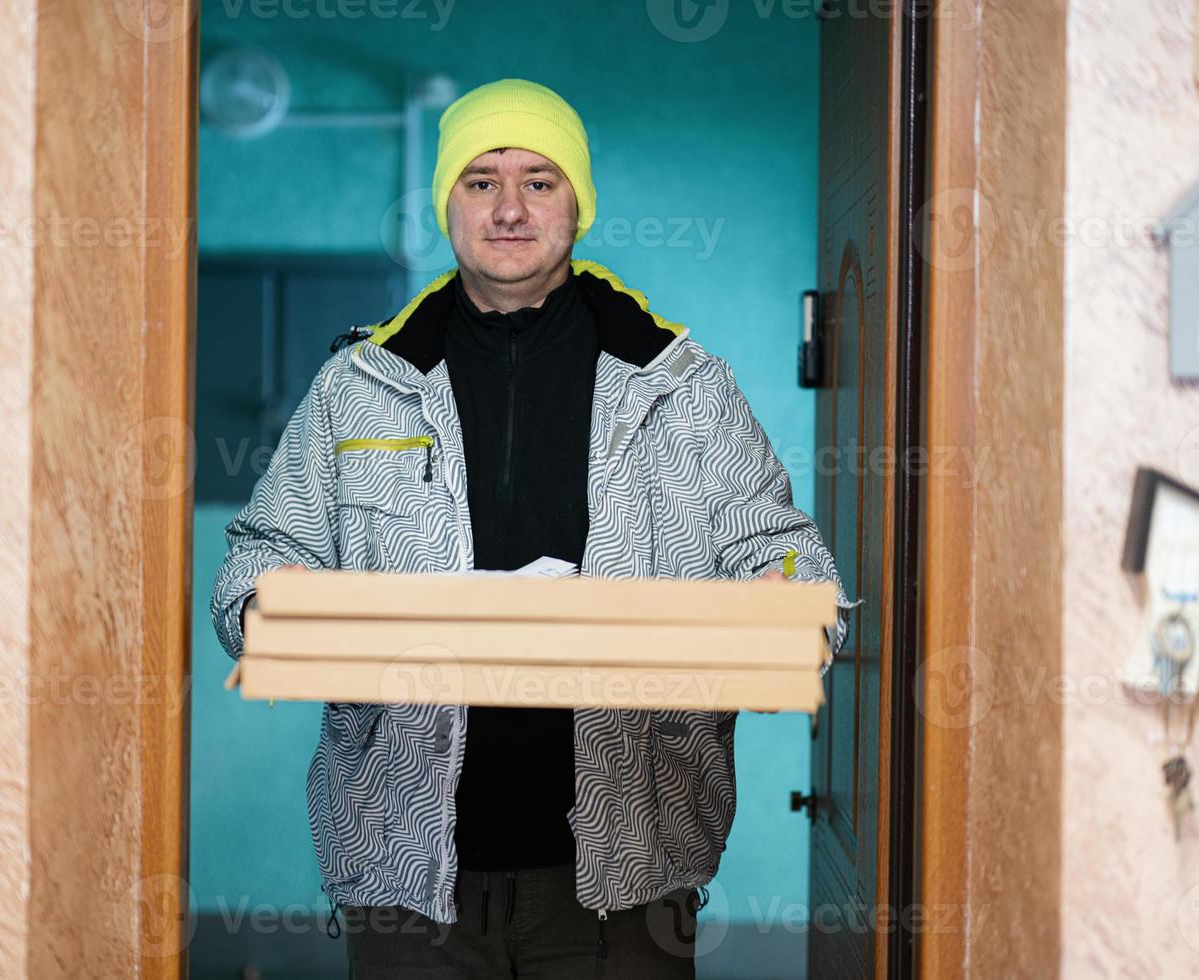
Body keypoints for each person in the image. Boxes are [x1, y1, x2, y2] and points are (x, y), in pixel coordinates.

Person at [210, 77, 851, 979]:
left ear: (578, 203)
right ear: (448, 204)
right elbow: (256, 568)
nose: (510, 207)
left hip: (626, 874)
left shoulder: (681, 385)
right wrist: (279, 606)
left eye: (539, 180)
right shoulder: (359, 386)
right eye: (481, 181)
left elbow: (789, 557)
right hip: (408, 873)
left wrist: (783, 601)